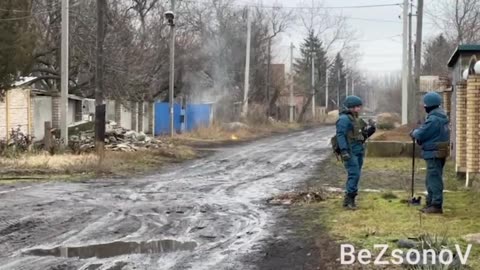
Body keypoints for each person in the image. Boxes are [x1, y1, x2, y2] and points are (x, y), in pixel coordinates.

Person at [410, 92, 450, 214]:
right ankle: (431, 202)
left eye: (425, 104)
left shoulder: (433, 119)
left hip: (433, 153)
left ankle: (436, 205)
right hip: (439, 151)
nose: (424, 107)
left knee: (434, 179)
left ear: (429, 105)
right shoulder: (442, 117)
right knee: (431, 178)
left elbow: (422, 133)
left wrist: (414, 133)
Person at [336, 95, 376, 210]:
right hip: (350, 151)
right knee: (354, 174)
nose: (359, 109)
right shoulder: (344, 119)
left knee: (356, 175)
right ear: (351, 107)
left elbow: (361, 136)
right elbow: (340, 135)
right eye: (356, 106)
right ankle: (349, 200)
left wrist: (371, 129)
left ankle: (349, 200)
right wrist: (343, 151)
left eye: (359, 106)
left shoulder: (357, 119)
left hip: (358, 150)